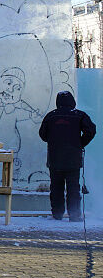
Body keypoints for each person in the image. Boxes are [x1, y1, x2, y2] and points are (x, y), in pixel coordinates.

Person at [39, 91, 96, 221]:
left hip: (55, 158)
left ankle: (57, 214)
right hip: (73, 158)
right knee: (73, 187)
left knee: (56, 187)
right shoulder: (80, 115)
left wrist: (54, 141)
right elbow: (91, 130)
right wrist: (81, 143)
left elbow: (42, 134)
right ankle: (74, 215)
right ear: (72, 101)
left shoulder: (51, 116)